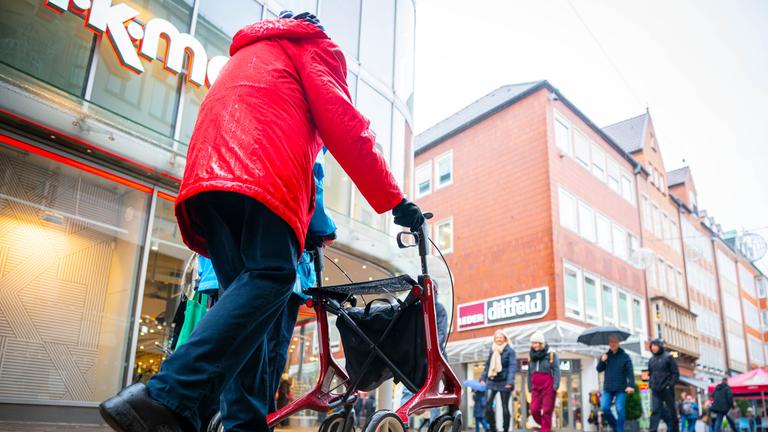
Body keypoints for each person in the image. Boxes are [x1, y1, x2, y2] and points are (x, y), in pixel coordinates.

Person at [98, 10, 424, 432]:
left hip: (209, 179)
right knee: (272, 276)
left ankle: (240, 425)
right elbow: (346, 125)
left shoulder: (250, 54)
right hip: (260, 173)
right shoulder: (310, 47)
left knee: (248, 315)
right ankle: (165, 394)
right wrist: (393, 200)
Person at [480, 330, 517, 432]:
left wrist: (510, 382)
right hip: (492, 380)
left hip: (505, 381)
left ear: (505, 338)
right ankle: (493, 428)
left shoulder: (510, 351)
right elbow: (488, 365)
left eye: (500, 337)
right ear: (494, 339)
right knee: (488, 405)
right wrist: (483, 378)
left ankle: (505, 429)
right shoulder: (492, 350)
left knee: (504, 407)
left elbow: (512, 366)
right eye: (497, 338)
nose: (498, 339)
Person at [596, 335, 635, 432]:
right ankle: (616, 427)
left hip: (621, 388)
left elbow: (630, 372)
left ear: (618, 343)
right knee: (604, 408)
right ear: (609, 344)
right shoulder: (606, 356)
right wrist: (602, 360)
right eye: (611, 342)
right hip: (608, 388)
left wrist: (631, 385)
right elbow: (599, 369)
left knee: (619, 409)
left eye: (614, 342)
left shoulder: (625, 357)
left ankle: (620, 429)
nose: (612, 344)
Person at [528, 331, 560, 432]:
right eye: (533, 343)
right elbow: (529, 372)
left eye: (537, 343)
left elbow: (556, 370)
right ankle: (546, 426)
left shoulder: (551, 353)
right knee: (533, 409)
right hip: (535, 387)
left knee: (547, 410)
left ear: (542, 343)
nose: (535, 345)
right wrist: (529, 385)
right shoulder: (531, 355)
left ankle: (545, 429)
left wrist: (555, 385)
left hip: (548, 385)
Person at [648, 339, 680, 432]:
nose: (653, 348)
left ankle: (674, 430)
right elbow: (650, 373)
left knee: (671, 411)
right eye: (652, 346)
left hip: (667, 389)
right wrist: (651, 384)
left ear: (660, 346)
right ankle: (652, 430)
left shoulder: (668, 357)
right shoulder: (651, 360)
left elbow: (675, 374)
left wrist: (669, 385)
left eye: (655, 345)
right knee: (655, 411)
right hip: (655, 390)